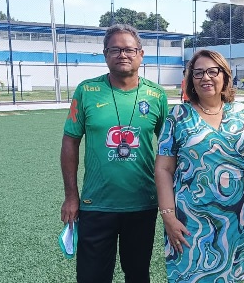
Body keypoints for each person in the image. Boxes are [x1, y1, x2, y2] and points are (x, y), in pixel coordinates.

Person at [60, 24, 168, 283]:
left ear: (141, 54)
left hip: (142, 204)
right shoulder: (86, 91)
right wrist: (71, 197)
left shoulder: (156, 95)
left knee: (138, 274)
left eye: (129, 49)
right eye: (115, 49)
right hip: (96, 204)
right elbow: (70, 142)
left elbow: (168, 151)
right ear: (105, 54)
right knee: (91, 277)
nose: (123, 54)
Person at [155, 49, 244, 283]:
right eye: (198, 73)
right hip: (192, 223)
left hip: (238, 220)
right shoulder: (178, 116)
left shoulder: (242, 113)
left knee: (234, 277)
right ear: (190, 80)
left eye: (212, 71)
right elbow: (163, 169)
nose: (205, 78)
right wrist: (168, 215)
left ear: (224, 76)